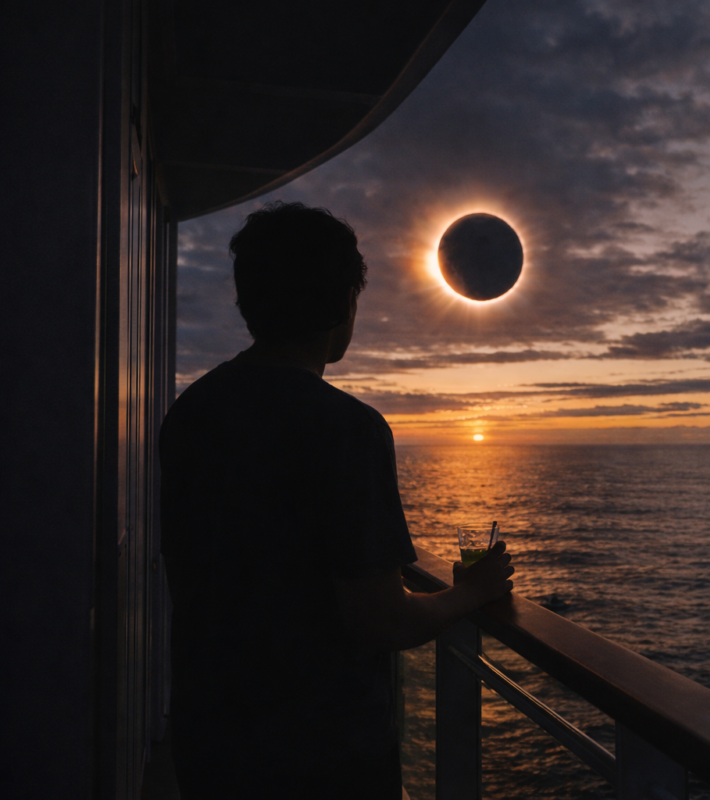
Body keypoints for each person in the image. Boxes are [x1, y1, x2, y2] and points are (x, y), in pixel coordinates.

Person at [159, 201, 514, 799]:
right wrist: (469, 594)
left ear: (249, 301)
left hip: (211, 737)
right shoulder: (347, 429)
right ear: (342, 303)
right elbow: (380, 618)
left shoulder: (193, 412)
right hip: (318, 755)